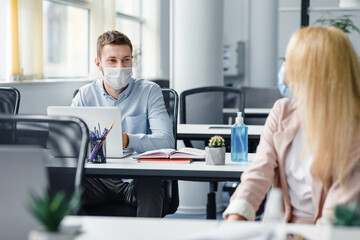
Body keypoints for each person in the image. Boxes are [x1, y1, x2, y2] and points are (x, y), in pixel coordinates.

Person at [223, 26, 360, 224]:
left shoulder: (354, 130)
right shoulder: (282, 111)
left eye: (288, 62)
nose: (284, 70)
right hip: (282, 226)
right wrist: (236, 218)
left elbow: (335, 217)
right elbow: (259, 171)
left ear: (312, 72)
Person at [72, 30, 174, 217]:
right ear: (99, 63)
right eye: (112, 60)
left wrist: (127, 139)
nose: (120, 67)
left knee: (151, 182)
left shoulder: (150, 91)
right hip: (98, 182)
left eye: (126, 60)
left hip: (136, 181)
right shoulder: (85, 94)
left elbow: (166, 141)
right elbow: (69, 142)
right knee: (65, 183)